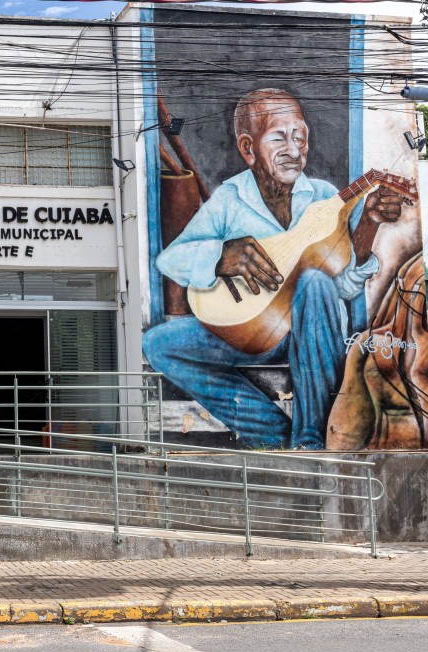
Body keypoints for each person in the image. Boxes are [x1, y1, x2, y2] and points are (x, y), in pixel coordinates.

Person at [143, 88, 404, 449]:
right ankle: (271, 432)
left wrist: (368, 225)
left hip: (310, 337)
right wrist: (220, 256)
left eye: (300, 137)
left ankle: (310, 437)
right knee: (158, 343)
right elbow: (170, 260)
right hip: (249, 330)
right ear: (248, 148)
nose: (294, 150)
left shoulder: (325, 198)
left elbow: (345, 287)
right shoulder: (230, 198)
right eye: (279, 137)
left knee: (315, 282)